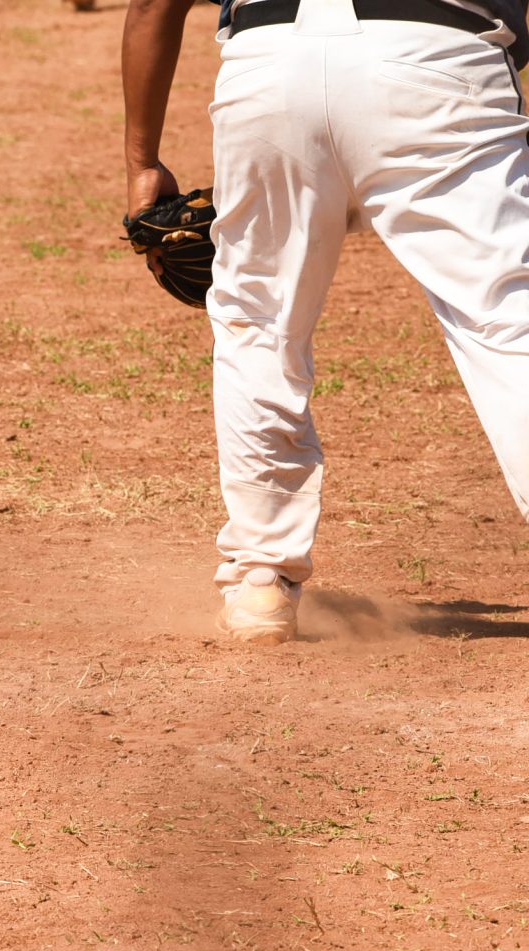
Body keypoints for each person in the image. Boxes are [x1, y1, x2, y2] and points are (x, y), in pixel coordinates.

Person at [123, 0, 529, 642]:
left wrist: (142, 160)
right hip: (437, 59)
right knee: (508, 321)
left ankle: (261, 577)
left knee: (258, 321)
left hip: (271, 60)